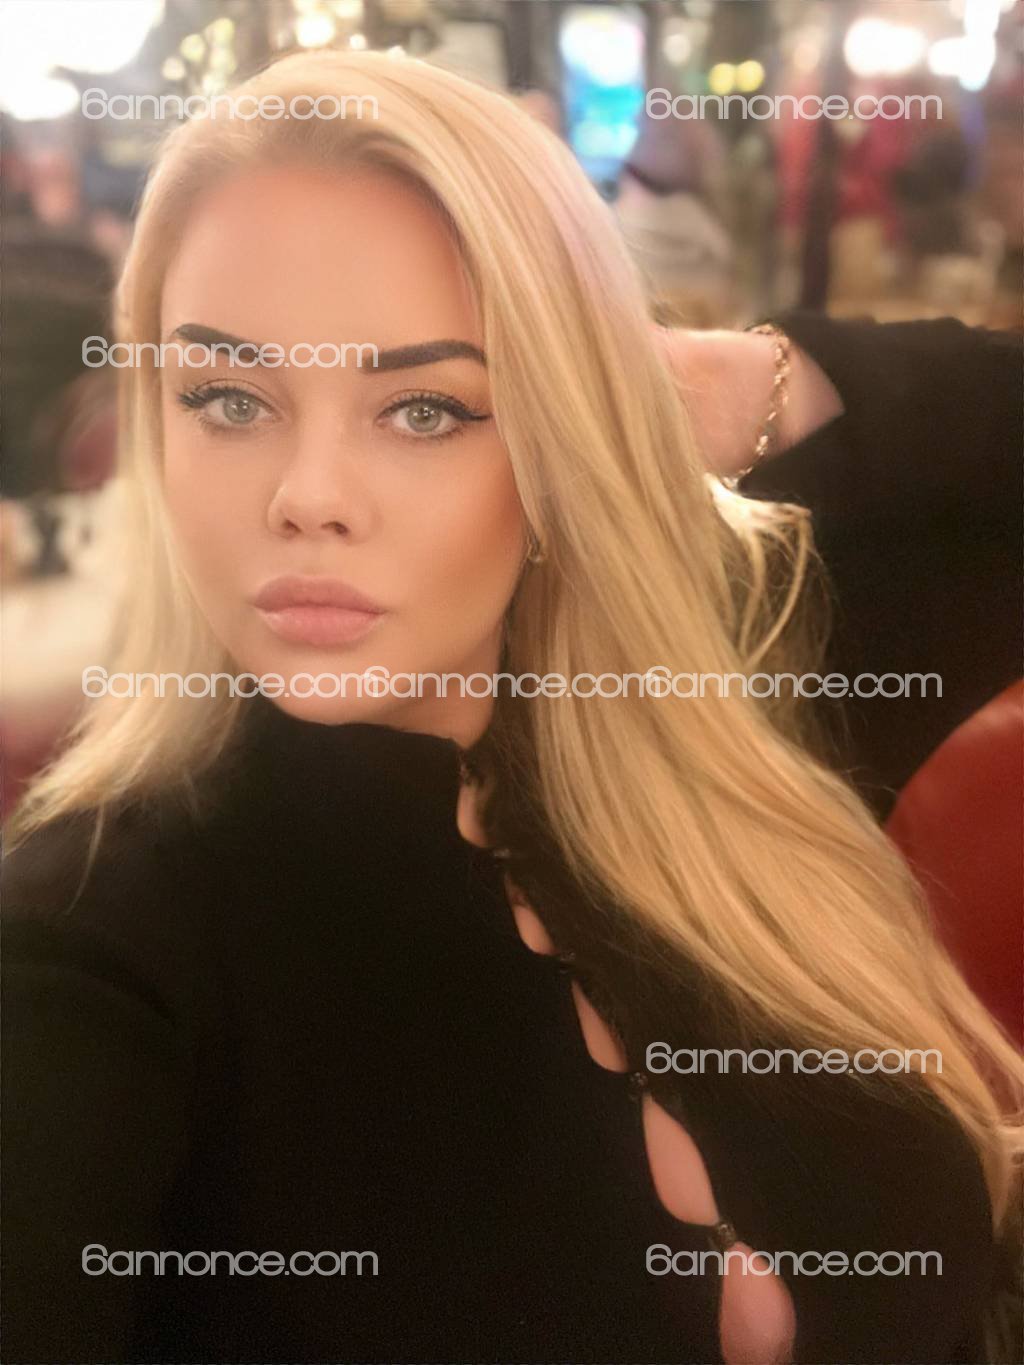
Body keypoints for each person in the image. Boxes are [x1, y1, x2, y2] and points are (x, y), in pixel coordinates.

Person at [3, 50, 1021, 1365]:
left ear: (553, 430)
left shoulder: (722, 699)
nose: (308, 497)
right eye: (230, 398)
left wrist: (712, 384)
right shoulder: (91, 950)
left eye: (427, 406)